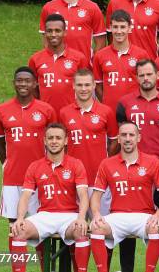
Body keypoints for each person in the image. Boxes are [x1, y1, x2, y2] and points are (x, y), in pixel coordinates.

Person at [115, 59, 159, 271]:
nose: (145, 78)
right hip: (130, 170)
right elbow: (122, 136)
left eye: (149, 74)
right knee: (127, 220)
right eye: (141, 75)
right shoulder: (125, 103)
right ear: (136, 78)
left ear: (157, 76)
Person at [0, 67, 56, 257]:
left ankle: (44, 268)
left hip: (40, 179)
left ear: (35, 84)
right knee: (14, 225)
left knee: (40, 225)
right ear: (14, 83)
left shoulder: (46, 110)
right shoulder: (1, 110)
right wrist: (7, 164)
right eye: (19, 80)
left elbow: (55, 142)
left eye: (27, 81)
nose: (23, 84)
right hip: (12, 179)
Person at [10, 123, 90, 272]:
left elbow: (83, 195)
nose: (54, 141)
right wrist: (20, 218)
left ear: (65, 141)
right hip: (44, 215)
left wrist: (81, 217)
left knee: (81, 232)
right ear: (45, 141)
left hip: (70, 216)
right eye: (50, 138)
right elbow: (25, 196)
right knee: (19, 231)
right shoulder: (35, 166)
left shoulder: (76, 164)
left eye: (58, 138)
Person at [90, 121, 159, 272]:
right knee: (96, 227)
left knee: (156, 228)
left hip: (144, 215)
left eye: (131, 135)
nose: (127, 138)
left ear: (138, 138)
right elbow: (96, 195)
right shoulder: (107, 164)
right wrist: (97, 214)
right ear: (118, 139)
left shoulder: (152, 161)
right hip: (117, 216)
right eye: (123, 135)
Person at [60, 68, 118, 216]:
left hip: (99, 178)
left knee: (100, 226)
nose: (83, 89)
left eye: (87, 85)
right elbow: (61, 145)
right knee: (73, 228)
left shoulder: (106, 112)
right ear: (73, 85)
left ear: (93, 85)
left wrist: (105, 162)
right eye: (79, 85)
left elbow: (114, 142)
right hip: (72, 179)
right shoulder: (64, 112)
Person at [39, 0, 106, 62]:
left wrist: (93, 63)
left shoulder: (92, 8)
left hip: (83, 70)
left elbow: (101, 42)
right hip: (58, 66)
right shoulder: (49, 7)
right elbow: (45, 39)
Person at [93, 10, 152, 112]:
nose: (119, 31)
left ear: (129, 28)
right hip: (110, 110)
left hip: (136, 109)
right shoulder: (100, 55)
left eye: (123, 27)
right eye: (115, 27)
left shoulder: (141, 54)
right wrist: (106, 104)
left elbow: (147, 83)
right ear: (110, 28)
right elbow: (97, 85)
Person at [29, 13, 88, 114]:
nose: (53, 34)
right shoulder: (35, 59)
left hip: (72, 115)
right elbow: (33, 89)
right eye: (49, 31)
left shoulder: (79, 58)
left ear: (65, 32)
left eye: (57, 31)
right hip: (45, 115)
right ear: (45, 33)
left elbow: (86, 89)